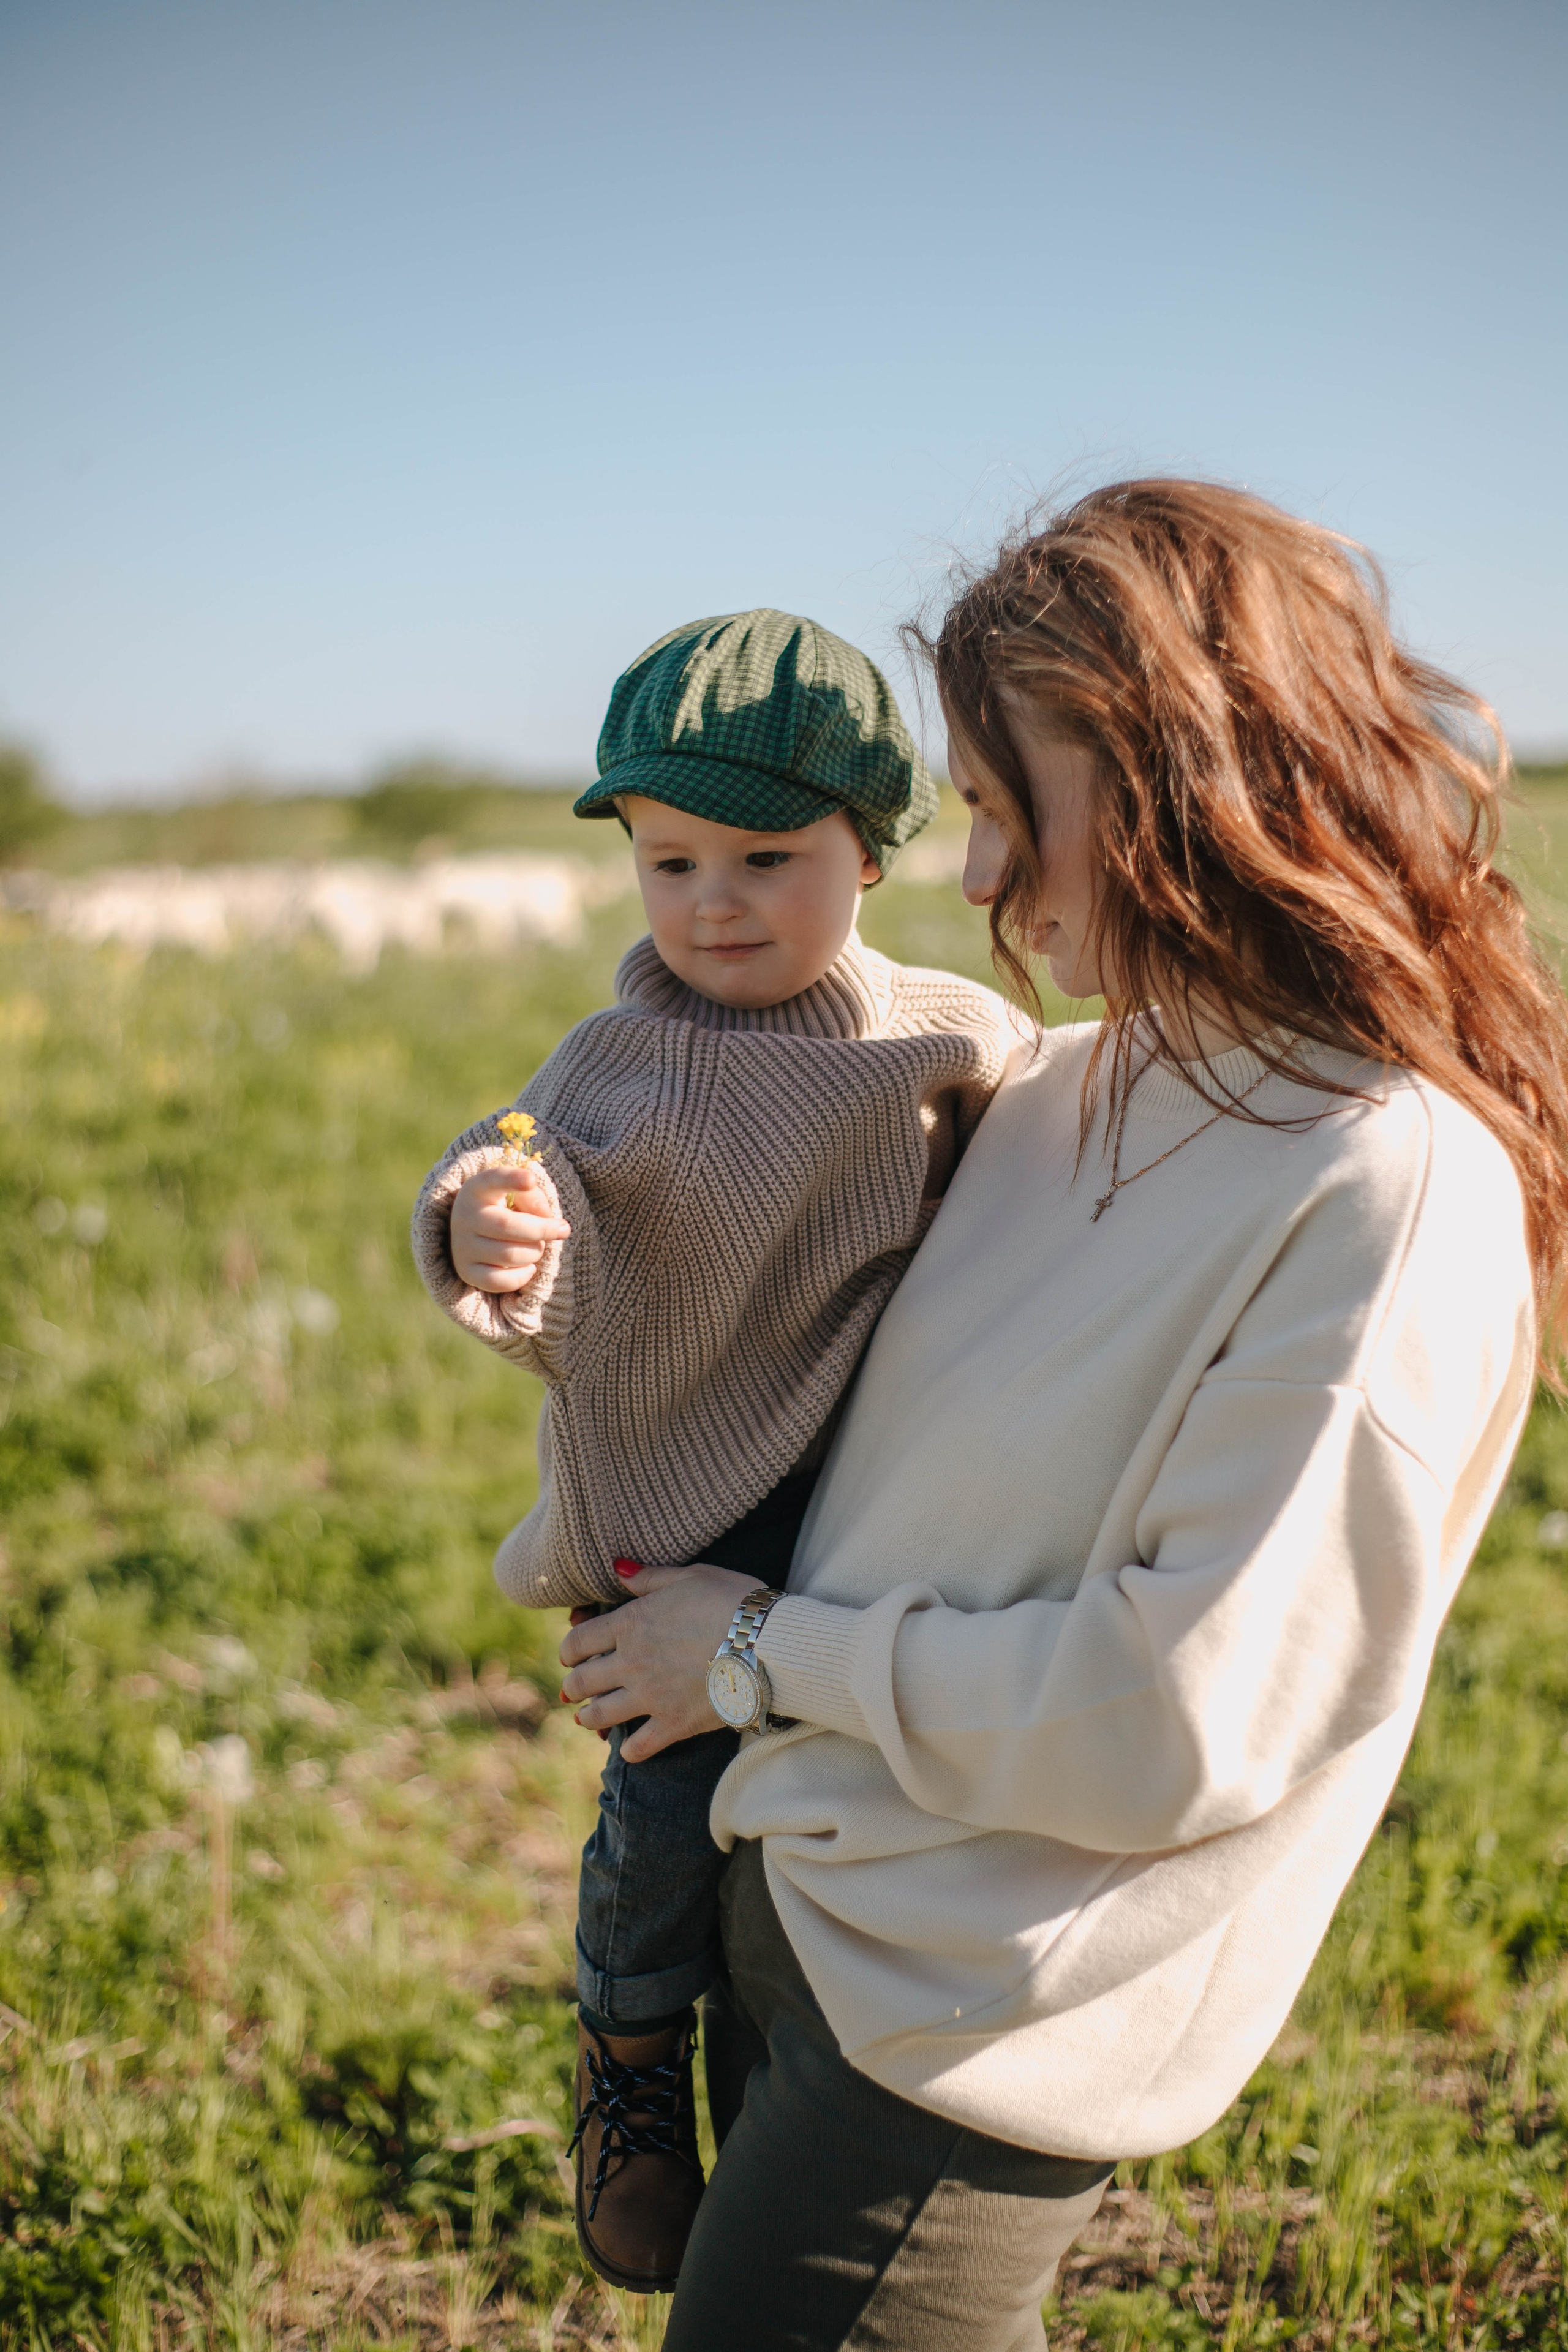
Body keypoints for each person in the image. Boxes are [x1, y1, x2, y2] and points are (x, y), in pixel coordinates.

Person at [558, 480, 1568, 2352]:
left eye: (1008, 806)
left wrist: (759, 1653)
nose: (971, 874)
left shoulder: (1382, 1183)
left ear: (1185, 783)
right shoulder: (1054, 1086)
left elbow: (1182, 1713)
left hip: (967, 2027)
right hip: (800, 1907)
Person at [410, 608, 1013, 2292]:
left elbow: (1033, 1191)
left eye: (765, 859)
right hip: (683, 1512)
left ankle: (823, 2070)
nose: (713, 904)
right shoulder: (617, 1058)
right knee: (666, 1814)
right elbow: (519, 1183)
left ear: (869, 852)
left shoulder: (949, 1039)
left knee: (843, 1822)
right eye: (668, 863)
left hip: (883, 1496)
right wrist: (491, 1232)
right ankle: (626, 2055)